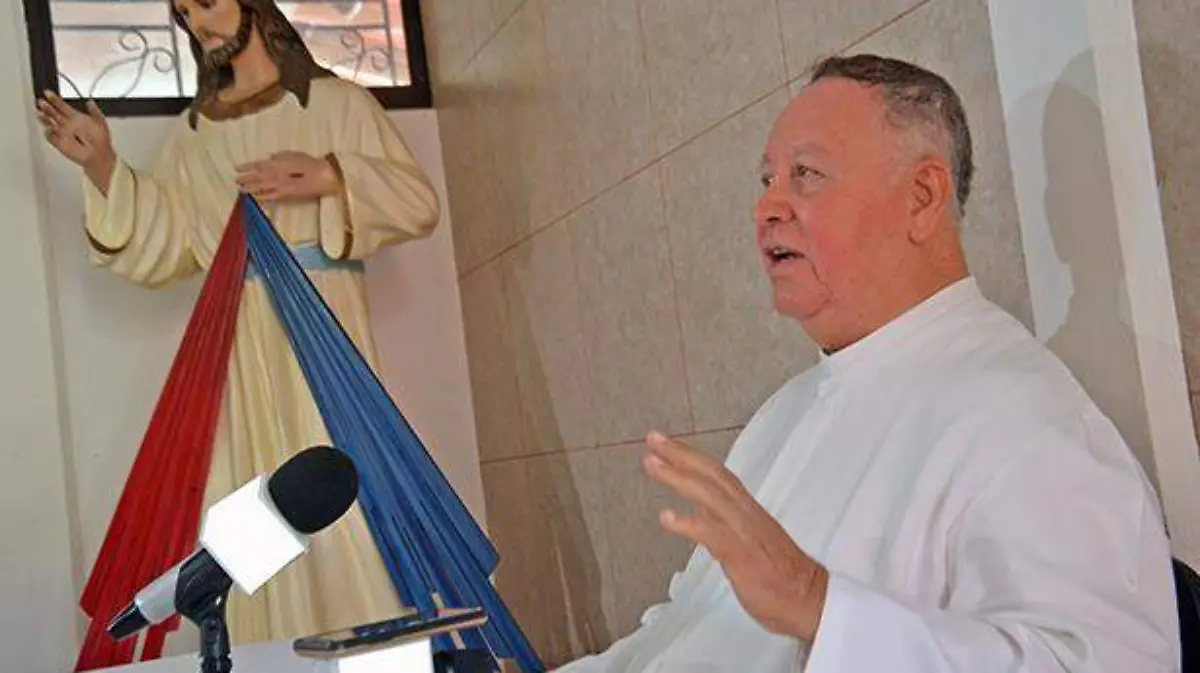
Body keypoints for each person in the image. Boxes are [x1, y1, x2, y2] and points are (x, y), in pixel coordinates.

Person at [554, 54, 1180, 672]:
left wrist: (818, 605)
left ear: (922, 197)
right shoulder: (782, 413)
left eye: (806, 173)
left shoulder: (1026, 418)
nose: (766, 207)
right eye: (767, 178)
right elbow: (687, 630)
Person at [35, 0, 439, 656]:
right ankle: (266, 658)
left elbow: (417, 202)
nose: (199, 25)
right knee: (250, 500)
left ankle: (379, 660)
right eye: (185, 13)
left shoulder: (338, 104)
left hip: (322, 326)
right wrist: (102, 165)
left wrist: (328, 175)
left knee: (339, 488)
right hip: (237, 337)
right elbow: (167, 241)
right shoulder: (196, 133)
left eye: (208, 4)